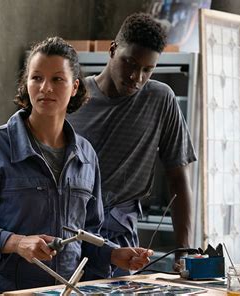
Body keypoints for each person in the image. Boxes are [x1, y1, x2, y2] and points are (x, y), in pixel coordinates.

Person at [0, 37, 152, 295]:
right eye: (36, 78)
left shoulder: (86, 156)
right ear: (26, 83)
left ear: (75, 86)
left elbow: (87, 234)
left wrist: (114, 254)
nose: (45, 88)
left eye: (57, 79)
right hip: (5, 291)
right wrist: (16, 242)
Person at [68, 13, 197, 275]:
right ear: (113, 49)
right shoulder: (76, 97)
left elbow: (179, 180)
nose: (137, 77)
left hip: (121, 238)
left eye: (147, 70)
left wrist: (184, 251)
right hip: (72, 230)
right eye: (130, 63)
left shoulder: (161, 100)